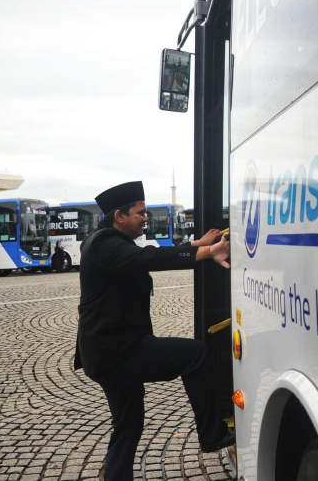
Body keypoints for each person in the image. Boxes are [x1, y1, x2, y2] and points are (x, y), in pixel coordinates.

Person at [73, 181, 233, 481]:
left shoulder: (105, 240)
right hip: (117, 352)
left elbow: (149, 254)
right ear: (119, 216)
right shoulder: (104, 244)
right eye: (140, 213)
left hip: (106, 351)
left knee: (128, 422)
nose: (145, 218)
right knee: (195, 354)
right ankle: (212, 434)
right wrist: (207, 251)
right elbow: (149, 259)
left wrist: (197, 245)